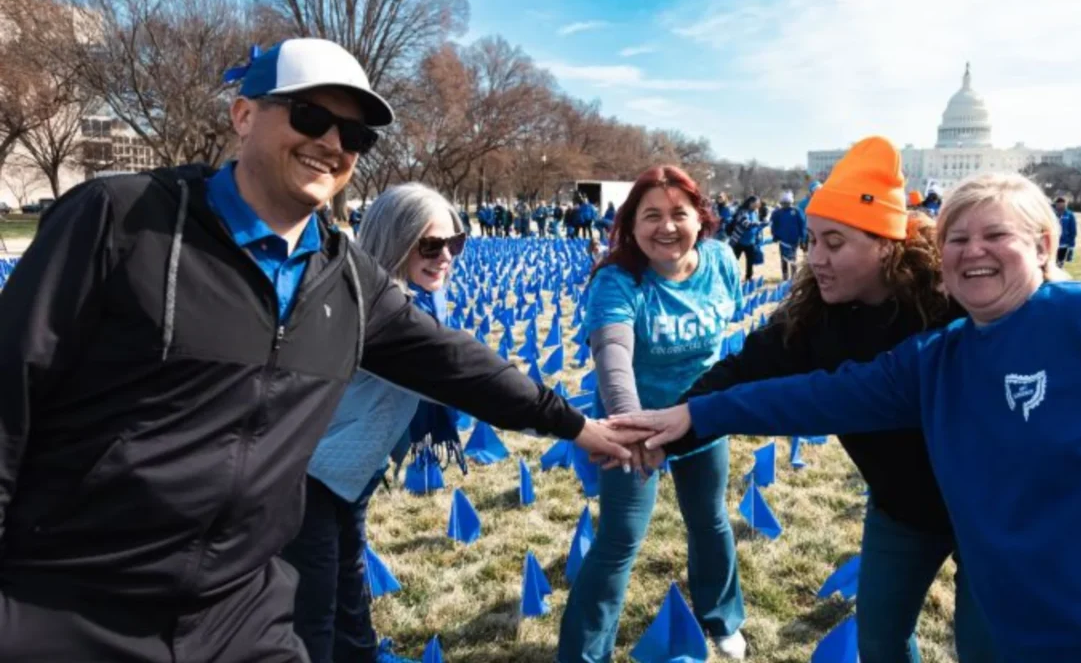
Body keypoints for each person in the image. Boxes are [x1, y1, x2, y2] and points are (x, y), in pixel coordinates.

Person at [0, 37, 633, 662]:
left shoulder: (347, 279)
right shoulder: (122, 220)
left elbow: (457, 363)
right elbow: (11, 388)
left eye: (355, 135)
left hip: (239, 612)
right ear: (243, 116)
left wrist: (576, 425)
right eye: (310, 116)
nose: (332, 143)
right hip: (76, 600)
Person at [608, 172, 1081, 662]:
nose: (971, 250)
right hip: (1032, 606)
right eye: (957, 237)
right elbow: (809, 394)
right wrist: (690, 416)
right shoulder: (936, 357)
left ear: (1045, 244)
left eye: (995, 235)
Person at [675, 137, 995, 662]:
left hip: (983, 511)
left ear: (886, 246)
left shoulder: (948, 308)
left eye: (834, 243)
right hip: (899, 508)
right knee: (880, 638)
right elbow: (742, 370)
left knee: (986, 647)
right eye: (812, 241)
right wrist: (669, 423)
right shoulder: (816, 315)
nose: (814, 259)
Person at [558, 165, 747, 662]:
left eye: (678, 214)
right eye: (651, 215)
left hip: (700, 420)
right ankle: (583, 654)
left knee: (709, 520)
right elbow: (613, 356)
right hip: (632, 429)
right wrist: (631, 429)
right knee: (620, 538)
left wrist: (708, 410)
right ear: (631, 224)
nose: (666, 226)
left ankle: (721, 617)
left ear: (700, 218)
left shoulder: (722, 261)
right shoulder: (617, 279)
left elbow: (729, 340)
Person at [282, 183, 469, 663]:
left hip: (348, 474)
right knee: (315, 608)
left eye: (456, 241)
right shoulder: (376, 314)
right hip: (307, 478)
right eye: (430, 245)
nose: (446, 255)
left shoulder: (420, 302)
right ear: (395, 239)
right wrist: (575, 427)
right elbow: (460, 380)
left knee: (349, 579)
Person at [769, 190, 805, 280]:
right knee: (784, 259)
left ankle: (794, 277)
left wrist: (803, 239)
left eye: (787, 203)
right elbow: (774, 225)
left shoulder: (797, 211)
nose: (785, 205)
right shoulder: (777, 213)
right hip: (783, 240)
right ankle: (785, 277)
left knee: (793, 258)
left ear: (790, 202)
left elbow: (802, 225)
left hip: (794, 240)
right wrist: (775, 236)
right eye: (783, 203)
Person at [728, 195, 765, 281]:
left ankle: (749, 277)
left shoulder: (755, 213)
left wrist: (758, 235)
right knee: (734, 260)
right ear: (751, 203)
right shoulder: (742, 212)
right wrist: (758, 224)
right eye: (757, 203)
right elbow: (746, 224)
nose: (758, 205)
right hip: (739, 241)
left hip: (750, 242)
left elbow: (756, 228)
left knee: (750, 261)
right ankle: (731, 276)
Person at [1053, 197, 1076, 267]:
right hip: (1053, 242)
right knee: (1052, 263)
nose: (1061, 207)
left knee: (1060, 263)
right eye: (1059, 205)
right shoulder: (1051, 213)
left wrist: (1071, 245)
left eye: (1063, 205)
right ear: (1056, 205)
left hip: (1064, 243)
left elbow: (1073, 230)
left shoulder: (1069, 215)